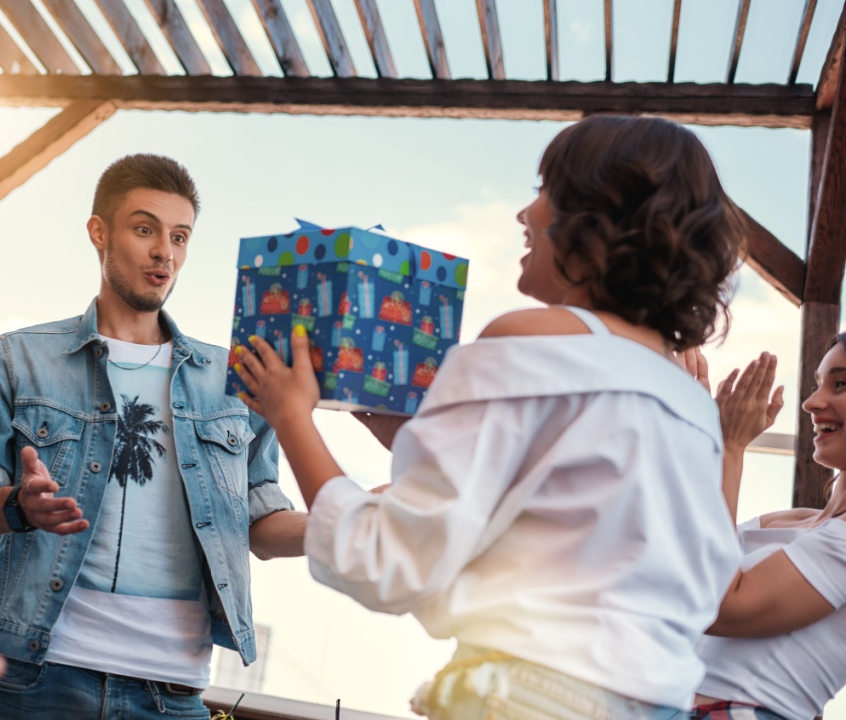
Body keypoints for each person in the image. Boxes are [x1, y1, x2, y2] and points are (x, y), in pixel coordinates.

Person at [235, 115, 745, 719]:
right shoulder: (685, 396)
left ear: (592, 220)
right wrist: (414, 438)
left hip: (526, 698)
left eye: (544, 188)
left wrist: (293, 418)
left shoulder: (524, 339)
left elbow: (388, 561)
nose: (525, 215)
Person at [0, 153, 307, 719]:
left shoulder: (235, 381)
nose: (166, 252)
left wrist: (342, 522)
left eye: (180, 236)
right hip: (38, 676)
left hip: (174, 690)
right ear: (98, 232)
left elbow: (259, 523)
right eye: (145, 229)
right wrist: (17, 506)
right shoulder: (18, 359)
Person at [681, 343, 846, 720]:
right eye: (819, 384)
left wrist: (730, 447)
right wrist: (696, 431)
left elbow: (720, 605)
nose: (811, 402)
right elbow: (683, 562)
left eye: (841, 385)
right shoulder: (786, 521)